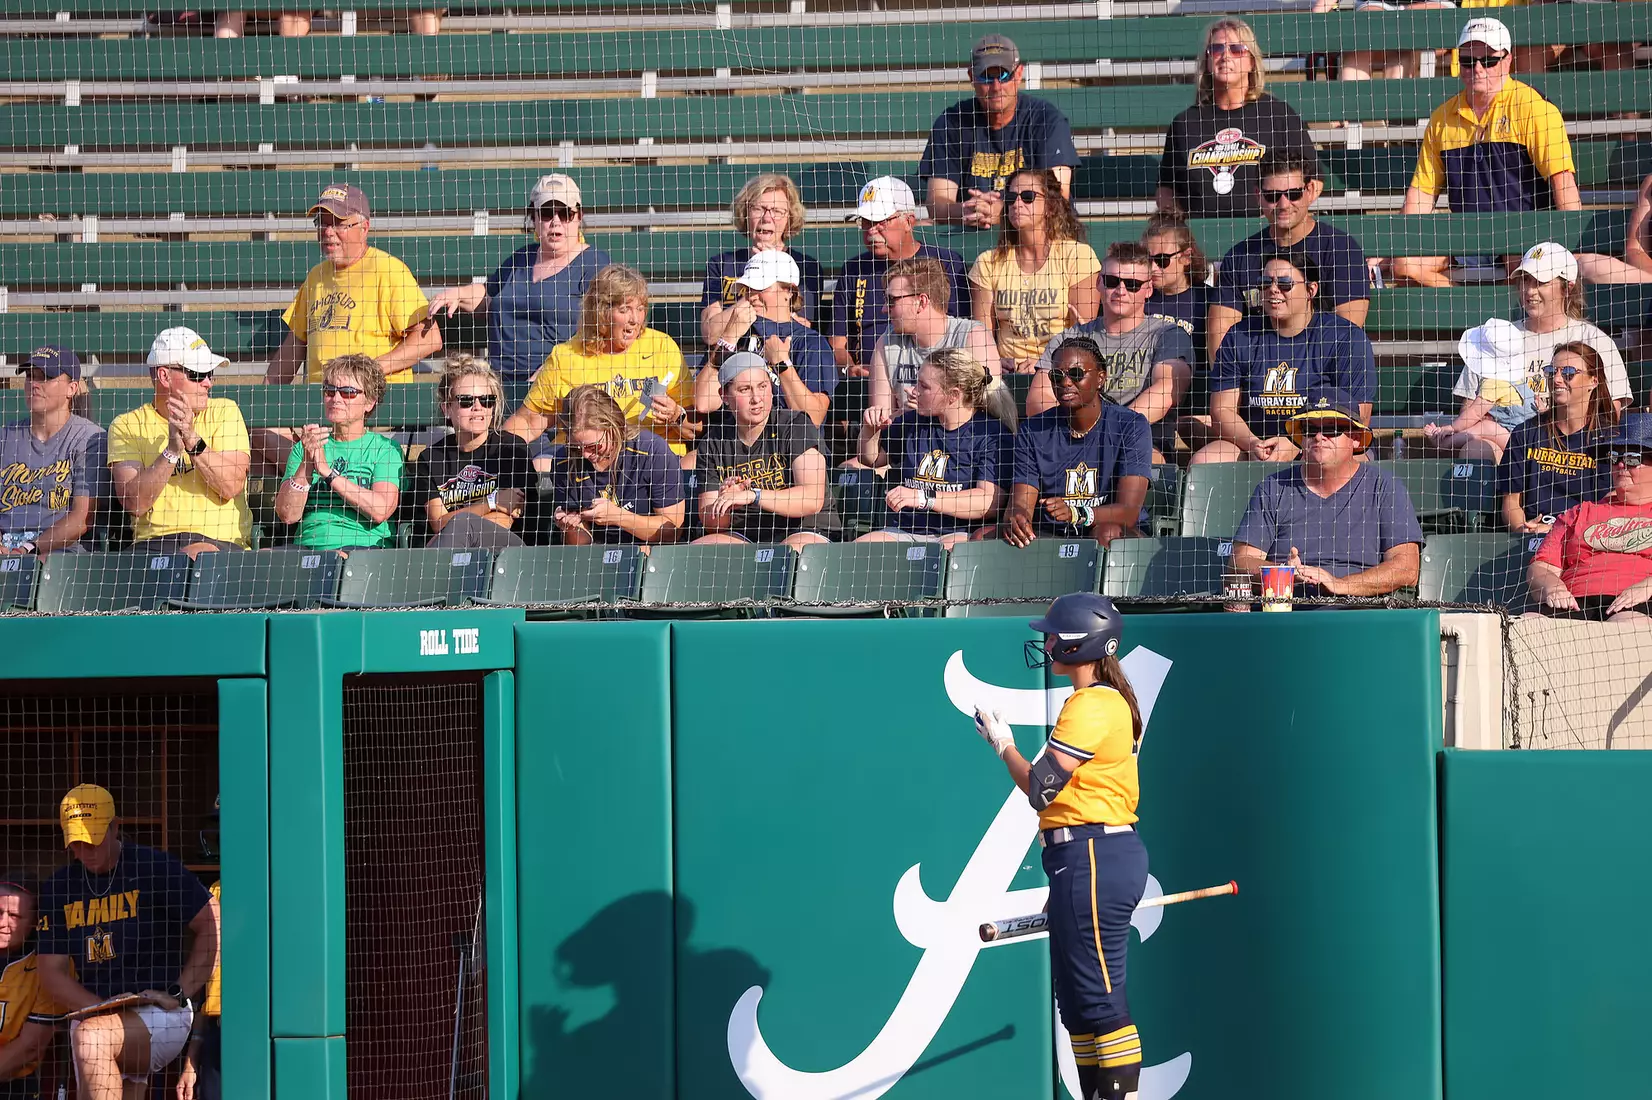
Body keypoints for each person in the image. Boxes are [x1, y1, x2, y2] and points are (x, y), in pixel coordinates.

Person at [968, 593, 1149, 1100]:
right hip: (1076, 856)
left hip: (1094, 853)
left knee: (1101, 1000)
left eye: (1052, 635)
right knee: (1076, 1002)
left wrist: (1003, 744)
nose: (1045, 643)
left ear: (1078, 643)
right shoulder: (1099, 701)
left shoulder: (1095, 704)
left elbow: (1040, 789)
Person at [35, 785, 218, 1100]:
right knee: (91, 1038)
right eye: (76, 843)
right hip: (95, 1010)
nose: (85, 851)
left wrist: (180, 991)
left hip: (160, 1011)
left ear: (115, 826)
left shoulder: (151, 867)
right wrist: (98, 1007)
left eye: (93, 840)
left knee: (91, 1038)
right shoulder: (59, 887)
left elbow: (212, 922)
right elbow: (50, 971)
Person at [1392, 18, 1579, 288]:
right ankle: (1468, 310)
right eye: (1468, 61)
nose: (1477, 68)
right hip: (1466, 238)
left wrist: (1573, 249)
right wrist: (1397, 245)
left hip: (1523, 236)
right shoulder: (1442, 118)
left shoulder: (1534, 108)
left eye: (1488, 60)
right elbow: (1421, 195)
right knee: (1404, 265)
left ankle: (1494, 315)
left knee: (1519, 260)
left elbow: (1563, 183)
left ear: (1507, 60)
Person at [1424, 243, 1632, 459]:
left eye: (1540, 282)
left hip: (1571, 453)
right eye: (1524, 280)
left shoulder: (1594, 340)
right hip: (1508, 449)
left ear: (1567, 287)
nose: (1529, 291)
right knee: (1475, 448)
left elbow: (1609, 415)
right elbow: (1470, 409)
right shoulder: (1498, 337)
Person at [1232, 391, 1424, 599]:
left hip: (1360, 614)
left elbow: (1407, 568)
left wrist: (1339, 584)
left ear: (1357, 439)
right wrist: (1283, 572)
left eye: (1331, 429)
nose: (1318, 436)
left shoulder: (1385, 487)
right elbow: (1239, 562)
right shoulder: (1272, 488)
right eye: (1309, 429)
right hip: (1287, 612)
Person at [425, 174, 613, 383]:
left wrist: (556, 368)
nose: (556, 221)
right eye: (547, 213)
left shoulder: (595, 264)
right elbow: (489, 293)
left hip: (560, 386)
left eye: (565, 213)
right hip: (502, 384)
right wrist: (458, 294)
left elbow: (605, 332)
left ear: (578, 216)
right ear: (534, 217)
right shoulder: (522, 258)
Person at [1192, 253, 1376, 465]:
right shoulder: (1239, 335)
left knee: (1352, 459)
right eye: (1264, 283)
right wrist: (1254, 444)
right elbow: (1222, 410)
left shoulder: (1345, 337)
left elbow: (1359, 416)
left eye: (1285, 283)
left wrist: (1297, 442)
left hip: (1322, 440)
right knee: (1206, 460)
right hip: (1257, 445)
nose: (1273, 289)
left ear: (1311, 290)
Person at [505, 264, 697, 461]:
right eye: (625, 310)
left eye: (640, 309)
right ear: (601, 312)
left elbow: (697, 429)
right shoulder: (567, 356)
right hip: (584, 458)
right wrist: (491, 454)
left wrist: (675, 414)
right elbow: (529, 422)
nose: (634, 319)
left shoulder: (661, 347)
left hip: (653, 459)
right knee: (542, 464)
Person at [1027, 243, 1194, 461]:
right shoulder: (1068, 339)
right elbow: (1039, 398)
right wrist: (1079, 430)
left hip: (1140, 442)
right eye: (1112, 281)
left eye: (1133, 284)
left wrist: (1109, 433)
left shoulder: (1168, 335)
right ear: (1098, 282)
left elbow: (1164, 393)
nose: (1120, 291)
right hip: (1072, 440)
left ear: (1149, 289)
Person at [1206, 149, 1370, 366]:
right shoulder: (1239, 257)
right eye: (1273, 196)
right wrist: (1235, 383)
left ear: (1310, 190)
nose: (1284, 204)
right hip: (1257, 381)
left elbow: (1347, 334)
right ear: (1258, 195)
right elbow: (1221, 332)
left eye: (1293, 194)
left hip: (1319, 381)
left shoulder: (1341, 250)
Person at [266, 184, 441, 384]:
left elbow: (429, 339)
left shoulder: (389, 271)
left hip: (373, 400)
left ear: (364, 228)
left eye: (339, 223)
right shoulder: (315, 277)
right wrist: (263, 400)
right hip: (317, 403)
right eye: (322, 223)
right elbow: (292, 348)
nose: (328, 232)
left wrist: (365, 373)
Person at [109, 327, 252, 556]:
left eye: (210, 373)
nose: (208, 383)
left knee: (198, 553)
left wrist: (192, 439)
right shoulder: (127, 425)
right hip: (153, 546)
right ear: (164, 376)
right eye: (197, 374)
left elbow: (231, 485)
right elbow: (134, 503)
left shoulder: (225, 411)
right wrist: (172, 451)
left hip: (220, 544)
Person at [999, 335, 1151, 549]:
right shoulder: (1033, 430)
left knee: (1107, 533)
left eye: (1076, 374)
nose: (1066, 382)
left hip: (1113, 531)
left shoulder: (1131, 425)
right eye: (1057, 376)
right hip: (1054, 532)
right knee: (983, 538)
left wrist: (1077, 513)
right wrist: (1017, 516)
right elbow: (1021, 501)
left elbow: (1129, 511)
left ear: (1100, 378)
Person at [1157, 18, 1318, 220]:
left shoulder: (1278, 115)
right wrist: (1182, 231)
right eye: (1216, 49)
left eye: (1236, 49)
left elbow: (1314, 180)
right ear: (1207, 62)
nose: (1225, 56)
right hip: (1200, 240)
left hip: (1266, 239)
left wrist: (1280, 219)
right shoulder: (1184, 123)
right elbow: (1165, 190)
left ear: (1252, 61)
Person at [856, 348, 1016, 548]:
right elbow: (871, 459)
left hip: (959, 534)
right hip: (905, 531)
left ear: (953, 395)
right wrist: (870, 430)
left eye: (924, 386)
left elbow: (988, 503)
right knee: (854, 554)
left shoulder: (991, 434)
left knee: (942, 555)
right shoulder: (914, 422)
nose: (914, 391)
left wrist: (924, 498)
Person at [919, 34, 1079, 228]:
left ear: (1018, 74)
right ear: (971, 77)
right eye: (986, 76)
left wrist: (1004, 211)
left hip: (1039, 235)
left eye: (1004, 75)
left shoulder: (1046, 120)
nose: (996, 87)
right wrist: (966, 210)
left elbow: (1057, 199)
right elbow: (937, 202)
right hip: (973, 234)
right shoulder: (952, 122)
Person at [826, 176, 971, 376]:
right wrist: (849, 368)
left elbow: (961, 332)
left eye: (881, 221)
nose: (871, 230)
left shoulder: (946, 263)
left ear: (908, 222)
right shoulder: (854, 269)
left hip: (935, 378)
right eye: (866, 222)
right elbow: (837, 342)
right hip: (868, 381)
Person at [693, 353, 839, 552]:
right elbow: (712, 524)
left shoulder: (795, 424)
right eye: (745, 390)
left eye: (763, 386)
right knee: (700, 550)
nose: (757, 398)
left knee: (785, 556)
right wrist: (725, 502)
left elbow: (811, 498)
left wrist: (754, 496)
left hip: (806, 528)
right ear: (724, 396)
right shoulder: (712, 443)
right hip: (746, 533)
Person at [969, 168, 1100, 374]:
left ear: (1049, 205)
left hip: (1061, 371)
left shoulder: (1077, 256)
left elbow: (1083, 336)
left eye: (1028, 197)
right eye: (1011, 197)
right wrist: (993, 361)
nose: (1017, 204)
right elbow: (982, 337)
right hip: (1006, 374)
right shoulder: (987, 263)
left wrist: (1044, 362)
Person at [273, 354, 403, 552]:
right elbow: (287, 515)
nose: (336, 399)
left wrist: (328, 473)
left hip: (363, 548)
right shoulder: (307, 445)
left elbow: (380, 510)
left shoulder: (384, 450)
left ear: (370, 402)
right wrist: (307, 464)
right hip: (307, 548)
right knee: (260, 560)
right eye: (330, 391)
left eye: (348, 392)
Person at [1529, 417, 1652, 622]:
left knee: (1624, 629)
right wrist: (1552, 587)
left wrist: (1648, 586)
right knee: (1526, 624)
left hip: (1637, 604)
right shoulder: (1580, 512)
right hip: (1574, 603)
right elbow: (1541, 567)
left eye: (1632, 458)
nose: (1620, 464)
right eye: (1614, 457)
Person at [696, 252, 839, 427]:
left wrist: (782, 364)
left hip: (786, 447)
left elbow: (813, 419)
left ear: (789, 291)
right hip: (733, 446)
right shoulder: (736, 335)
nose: (752, 296)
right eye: (747, 289)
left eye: (761, 288)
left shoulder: (810, 343)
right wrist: (728, 338)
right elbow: (703, 402)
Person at [410, 356, 537, 550]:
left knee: (461, 524)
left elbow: (502, 522)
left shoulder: (511, 449)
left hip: (508, 554)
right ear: (446, 408)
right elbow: (438, 523)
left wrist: (457, 521)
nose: (478, 407)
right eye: (466, 401)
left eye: (487, 400)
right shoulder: (431, 457)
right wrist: (492, 502)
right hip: (450, 551)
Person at [1498, 342, 1618, 535]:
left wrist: (1557, 530)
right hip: (1531, 537)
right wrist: (1522, 530)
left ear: (1593, 381)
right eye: (1552, 371)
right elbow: (1511, 502)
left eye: (1569, 372)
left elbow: (1611, 509)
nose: (1557, 379)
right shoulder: (1526, 432)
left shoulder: (1611, 439)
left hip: (1586, 537)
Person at [543, 384, 686, 546]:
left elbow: (672, 531)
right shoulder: (565, 460)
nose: (585, 454)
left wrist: (618, 517)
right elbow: (580, 545)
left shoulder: (652, 451)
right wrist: (570, 526)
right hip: (596, 557)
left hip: (653, 552)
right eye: (576, 447)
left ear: (614, 427)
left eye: (593, 446)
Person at [0, 344, 104, 556]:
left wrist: (28, 550)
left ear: (72, 388)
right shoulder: (4, 437)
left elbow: (82, 518)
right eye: (30, 376)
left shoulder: (89, 439)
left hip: (60, 555)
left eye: (45, 377)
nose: (34, 384)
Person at [867, 257, 998, 416]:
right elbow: (882, 425)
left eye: (891, 300)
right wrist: (907, 414)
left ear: (921, 302)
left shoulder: (973, 338)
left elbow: (988, 414)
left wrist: (930, 408)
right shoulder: (887, 342)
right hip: (908, 438)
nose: (884, 309)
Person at [698, 174, 824, 335]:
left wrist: (770, 269)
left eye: (777, 211)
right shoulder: (721, 264)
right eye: (758, 208)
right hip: (729, 356)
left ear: (789, 218)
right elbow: (710, 333)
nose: (767, 218)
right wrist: (755, 286)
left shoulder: (807, 267)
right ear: (745, 213)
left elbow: (800, 329)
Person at [0, 877, 59, 1098]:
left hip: (13, 1083)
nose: (3, 922)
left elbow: (30, 1046)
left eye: (14, 916)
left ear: (33, 922)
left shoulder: (47, 968)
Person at [1141, 212, 1212, 374]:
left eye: (1162, 260)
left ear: (1186, 257)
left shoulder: (1207, 300)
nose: (1153, 268)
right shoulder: (1139, 297)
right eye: (1147, 259)